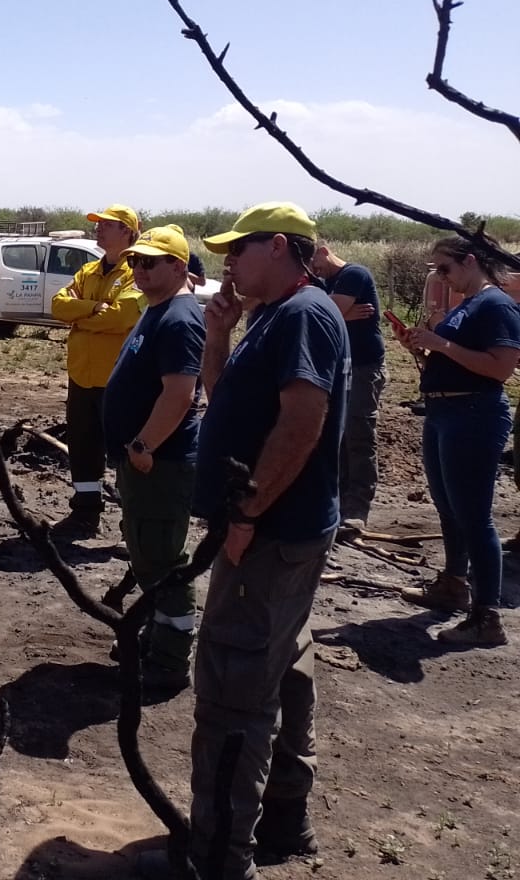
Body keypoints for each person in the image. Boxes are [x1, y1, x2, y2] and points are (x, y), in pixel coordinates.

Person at [183, 202, 348, 879]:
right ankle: (285, 815)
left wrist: (247, 514)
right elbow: (227, 402)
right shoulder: (271, 316)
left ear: (278, 248)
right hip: (277, 529)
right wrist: (219, 335)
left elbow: (304, 421)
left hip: (272, 531)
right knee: (285, 658)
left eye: (238, 250)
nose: (227, 263)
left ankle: (222, 857)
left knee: (233, 682)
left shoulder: (305, 314)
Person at [392, 237, 520, 648]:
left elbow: (501, 368)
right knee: (449, 507)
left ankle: (487, 616)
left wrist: (441, 344)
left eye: (445, 269)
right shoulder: (468, 305)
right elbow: (455, 357)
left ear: (470, 261)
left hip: (473, 414)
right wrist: (423, 349)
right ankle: (453, 583)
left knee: (474, 515)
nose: (440, 277)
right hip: (446, 412)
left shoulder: (495, 304)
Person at [102, 224, 205, 695]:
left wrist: (144, 445)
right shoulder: (159, 310)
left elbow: (180, 394)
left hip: (160, 462)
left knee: (163, 557)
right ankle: (158, 635)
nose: (138, 269)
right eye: (135, 262)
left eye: (149, 262)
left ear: (178, 266)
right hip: (144, 459)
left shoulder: (180, 318)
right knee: (146, 552)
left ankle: (169, 660)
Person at [49, 204, 146, 538]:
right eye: (98, 224)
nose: (99, 229)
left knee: (122, 453)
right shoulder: (88, 271)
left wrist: (81, 318)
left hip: (117, 380)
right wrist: (91, 308)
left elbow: (122, 316)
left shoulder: (137, 272)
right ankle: (85, 513)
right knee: (83, 445)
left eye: (108, 225)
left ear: (128, 232)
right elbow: (58, 305)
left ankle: (130, 524)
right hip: (81, 375)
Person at [312, 239, 387, 528]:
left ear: (324, 250)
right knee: (337, 435)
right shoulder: (325, 283)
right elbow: (323, 312)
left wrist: (335, 312)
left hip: (364, 366)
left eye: (314, 262)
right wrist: (340, 313)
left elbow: (321, 313)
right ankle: (339, 500)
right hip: (339, 368)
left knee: (358, 434)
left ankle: (357, 508)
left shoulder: (353, 275)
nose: (313, 269)